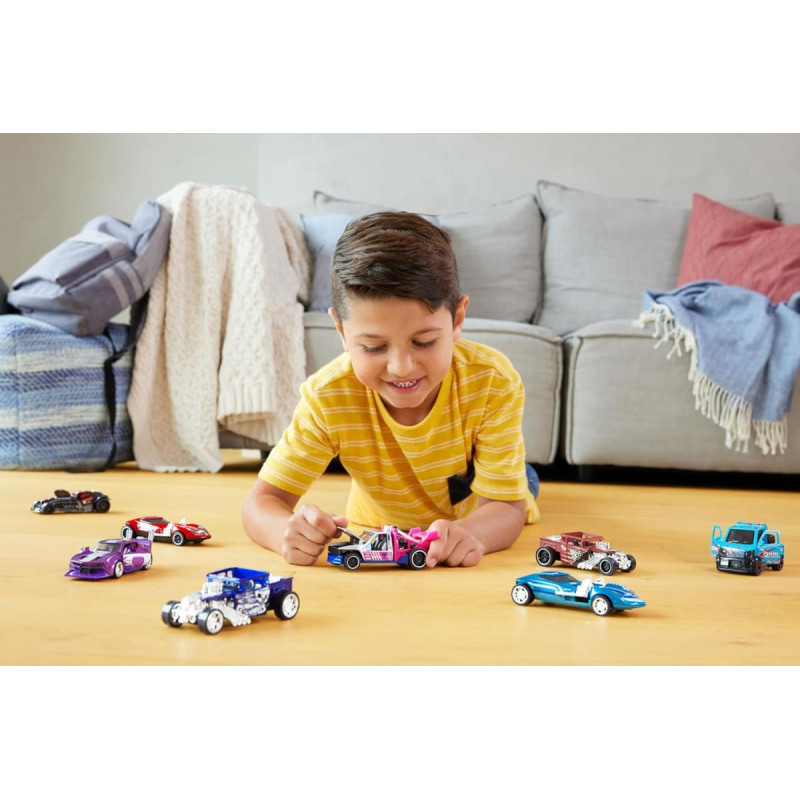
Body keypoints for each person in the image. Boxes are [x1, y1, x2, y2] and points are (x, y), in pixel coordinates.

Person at [242, 211, 540, 567]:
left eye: (424, 342)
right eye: (373, 347)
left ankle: (520, 472)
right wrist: (284, 532)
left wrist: (471, 533)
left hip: (472, 508)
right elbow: (261, 504)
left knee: (522, 483)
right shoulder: (327, 396)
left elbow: (506, 507)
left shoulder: (492, 380)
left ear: (457, 320)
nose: (402, 368)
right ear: (341, 330)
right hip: (379, 525)